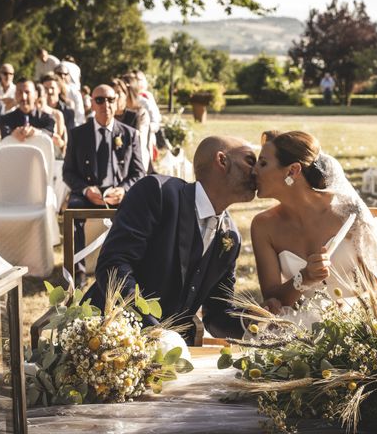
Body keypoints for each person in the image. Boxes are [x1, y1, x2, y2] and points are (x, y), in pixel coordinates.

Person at [85, 135, 258, 342]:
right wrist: (154, 330)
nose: (256, 171)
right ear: (222, 161)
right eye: (250, 160)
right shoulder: (157, 192)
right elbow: (114, 265)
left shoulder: (231, 237)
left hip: (172, 354)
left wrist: (251, 325)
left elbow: (217, 314)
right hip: (107, 336)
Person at [251, 131, 377, 323]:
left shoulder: (349, 213)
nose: (254, 171)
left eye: (262, 163)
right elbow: (272, 302)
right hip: (302, 330)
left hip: (364, 324)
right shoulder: (263, 226)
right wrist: (303, 278)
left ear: (292, 171)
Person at [62, 84, 146, 285]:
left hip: (118, 193)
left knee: (140, 213)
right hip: (87, 193)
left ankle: (125, 273)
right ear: (92, 103)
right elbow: (68, 172)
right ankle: (77, 276)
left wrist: (124, 190)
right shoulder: (77, 134)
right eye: (99, 99)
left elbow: (139, 172)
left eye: (110, 99)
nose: (105, 104)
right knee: (73, 212)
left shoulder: (130, 134)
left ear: (116, 102)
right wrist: (86, 189)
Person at [35, 83, 67, 157]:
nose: (37, 105)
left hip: (52, 152)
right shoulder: (29, 114)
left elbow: (61, 141)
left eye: (40, 101)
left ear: (45, 96)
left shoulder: (57, 114)